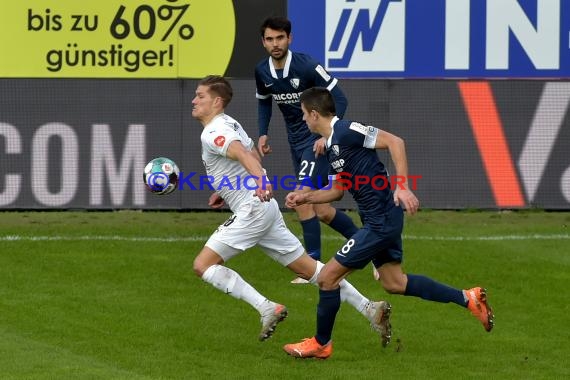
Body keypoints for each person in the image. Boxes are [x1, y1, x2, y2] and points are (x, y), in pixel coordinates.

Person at [282, 87, 494, 359]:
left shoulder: (346, 130)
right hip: (378, 218)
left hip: (381, 219)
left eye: (303, 114)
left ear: (313, 114)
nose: (302, 120)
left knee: (326, 278)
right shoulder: (333, 146)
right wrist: (306, 196)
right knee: (395, 283)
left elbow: (396, 142)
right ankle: (468, 298)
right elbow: (337, 191)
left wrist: (402, 187)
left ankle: (321, 344)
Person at [191, 75, 392, 344]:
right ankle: (370, 307)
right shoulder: (229, 123)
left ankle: (266, 308)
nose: (194, 100)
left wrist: (260, 182)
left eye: (200, 96)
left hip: (253, 209)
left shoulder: (213, 131)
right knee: (311, 271)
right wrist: (225, 188)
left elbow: (240, 153)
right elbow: (250, 155)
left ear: (216, 101)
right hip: (263, 209)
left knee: (202, 265)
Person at [255, 16, 375, 283]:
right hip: (294, 143)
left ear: (290, 38)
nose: (275, 44)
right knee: (320, 209)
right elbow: (264, 102)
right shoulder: (262, 71)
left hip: (315, 145)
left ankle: (312, 266)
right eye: (270, 39)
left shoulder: (307, 65)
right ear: (263, 42)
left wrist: (328, 133)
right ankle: (370, 248)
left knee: (301, 198)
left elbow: (340, 97)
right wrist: (263, 132)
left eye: (280, 38)